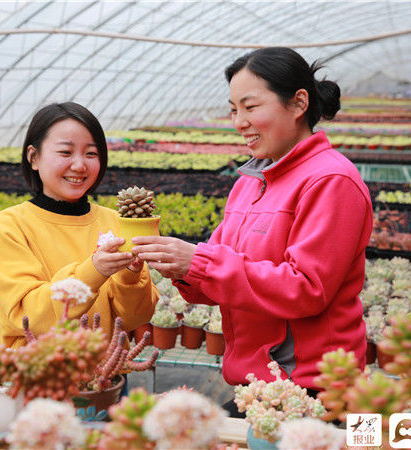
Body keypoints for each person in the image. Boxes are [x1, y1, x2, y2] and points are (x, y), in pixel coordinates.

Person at [132, 47, 373, 417]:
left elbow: (306, 288)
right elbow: (214, 277)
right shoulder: (250, 181)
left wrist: (198, 261)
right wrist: (173, 263)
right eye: (233, 109)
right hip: (260, 384)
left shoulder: (331, 180)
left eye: (251, 106)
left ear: (298, 104)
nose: (239, 121)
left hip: (309, 389)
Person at [0, 102, 158, 351]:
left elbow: (134, 318)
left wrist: (130, 275)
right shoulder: (10, 226)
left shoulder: (114, 222)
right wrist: (94, 270)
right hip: (35, 376)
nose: (79, 165)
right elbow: (30, 316)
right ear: (34, 157)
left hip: (103, 377)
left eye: (91, 154)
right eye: (66, 153)